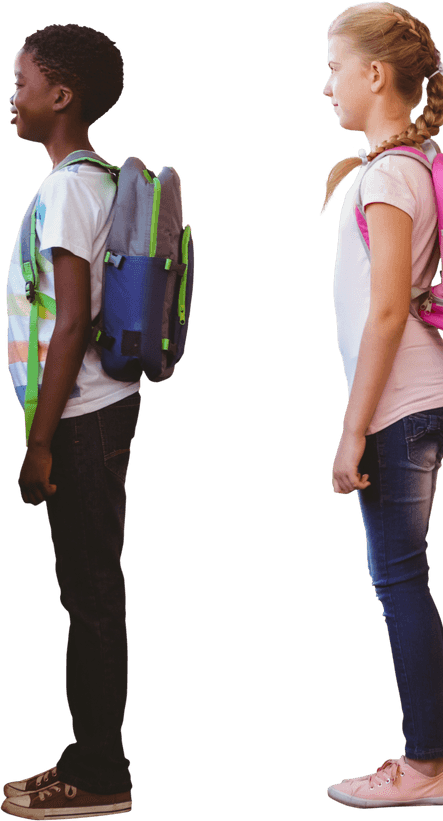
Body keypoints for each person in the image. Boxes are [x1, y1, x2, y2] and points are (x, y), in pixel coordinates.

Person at [319, 3, 443, 810]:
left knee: (398, 582)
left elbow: (385, 311)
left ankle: (428, 762)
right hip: (424, 393)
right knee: (404, 579)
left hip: (399, 404)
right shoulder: (414, 163)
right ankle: (432, 752)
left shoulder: (387, 175)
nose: (326, 85)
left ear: (375, 75)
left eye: (335, 67)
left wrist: (352, 430)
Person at [2, 23, 137, 821]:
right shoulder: (95, 179)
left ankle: (98, 774)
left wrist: (40, 443)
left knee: (90, 598)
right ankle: (90, 756)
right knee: (91, 592)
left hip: (80, 419)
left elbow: (73, 322)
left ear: (62, 96)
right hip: (97, 412)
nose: (10, 97)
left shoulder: (68, 188)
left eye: (20, 82)